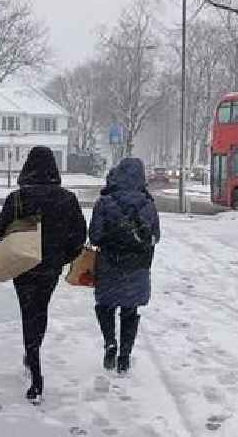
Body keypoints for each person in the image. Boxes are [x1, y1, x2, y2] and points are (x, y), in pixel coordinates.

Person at [0, 146, 86, 403]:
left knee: (27, 312)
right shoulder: (67, 199)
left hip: (22, 267)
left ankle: (33, 363)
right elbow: (79, 237)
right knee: (40, 310)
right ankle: (34, 353)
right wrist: (61, 258)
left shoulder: (17, 199)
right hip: (50, 268)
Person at [89, 158, 160, 374]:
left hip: (110, 264)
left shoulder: (105, 202)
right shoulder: (148, 205)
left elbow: (94, 236)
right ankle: (124, 356)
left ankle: (110, 342)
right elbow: (156, 236)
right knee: (130, 310)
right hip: (137, 267)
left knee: (105, 305)